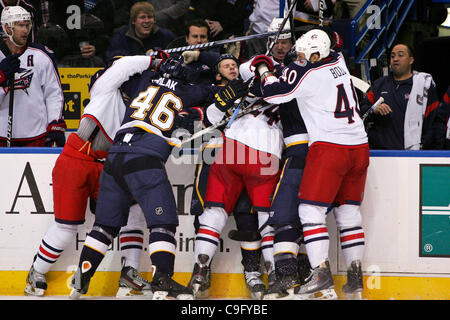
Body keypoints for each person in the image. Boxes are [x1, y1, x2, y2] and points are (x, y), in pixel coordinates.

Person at [68, 55, 248, 300]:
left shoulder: (143, 80)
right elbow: (215, 101)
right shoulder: (190, 91)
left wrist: (150, 59)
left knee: (105, 226)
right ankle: (162, 281)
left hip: (115, 156)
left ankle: (80, 280)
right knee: (163, 224)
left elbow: (111, 71)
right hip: (145, 157)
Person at [24, 54, 170, 297]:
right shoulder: (104, 88)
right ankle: (36, 271)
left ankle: (129, 274)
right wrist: (153, 59)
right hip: (76, 160)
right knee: (66, 228)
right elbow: (124, 65)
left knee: (133, 215)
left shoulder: (140, 104)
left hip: (111, 166)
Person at [254, 28, 369, 300]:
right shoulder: (338, 59)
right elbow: (333, 41)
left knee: (309, 212)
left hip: (331, 148)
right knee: (348, 213)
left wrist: (263, 69)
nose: (301, 58)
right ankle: (355, 276)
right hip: (360, 146)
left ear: (316, 54)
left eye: (305, 55)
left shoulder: (309, 73)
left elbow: (273, 94)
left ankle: (320, 273)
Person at [188, 54, 285, 299]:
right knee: (261, 216)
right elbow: (207, 117)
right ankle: (270, 274)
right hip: (261, 155)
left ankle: (209, 269)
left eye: (235, 66)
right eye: (226, 66)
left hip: (232, 150)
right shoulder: (276, 87)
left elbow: (247, 66)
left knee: (227, 214)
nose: (233, 68)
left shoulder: (253, 84)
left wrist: (260, 67)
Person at [0, 6, 65, 147]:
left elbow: (54, 94)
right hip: (1, 137)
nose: (25, 30)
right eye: (20, 25)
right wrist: (1, 77)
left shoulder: (41, 55)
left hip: (36, 137)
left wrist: (55, 124)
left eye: (27, 25)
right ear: (7, 27)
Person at [360, 43, 441, 150]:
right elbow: (361, 112)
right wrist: (374, 110)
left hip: (413, 154)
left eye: (400, 55)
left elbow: (433, 121)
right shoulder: (379, 85)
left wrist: (423, 147)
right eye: (392, 56)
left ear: (411, 60)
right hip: (381, 154)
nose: (395, 59)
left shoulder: (423, 86)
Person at [105, 1, 175, 63]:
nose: (147, 21)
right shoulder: (120, 37)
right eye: (142, 17)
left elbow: (175, 58)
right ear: (133, 21)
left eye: (150, 17)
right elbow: (113, 59)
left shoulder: (166, 36)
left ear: (154, 20)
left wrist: (157, 52)